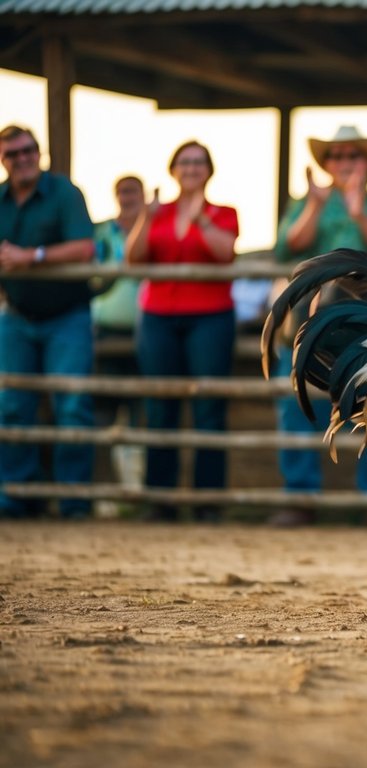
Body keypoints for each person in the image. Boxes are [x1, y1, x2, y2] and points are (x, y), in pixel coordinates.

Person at [272, 125, 367, 528]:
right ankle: (299, 497)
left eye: (352, 156)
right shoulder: (306, 204)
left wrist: (357, 213)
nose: (344, 163)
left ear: (366, 164)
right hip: (309, 320)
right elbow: (287, 245)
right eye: (336, 156)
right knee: (296, 403)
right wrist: (316, 206)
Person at [123, 140, 239, 523]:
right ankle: (161, 500)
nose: (191, 168)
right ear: (173, 169)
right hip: (157, 316)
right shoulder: (157, 212)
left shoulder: (223, 213)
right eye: (184, 162)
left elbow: (224, 253)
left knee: (208, 406)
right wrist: (145, 216)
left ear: (208, 170)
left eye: (198, 162)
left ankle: (208, 502)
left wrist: (200, 219)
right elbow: (133, 257)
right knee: (160, 406)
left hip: (210, 317)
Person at [0, 125, 96, 520]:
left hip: (66, 317)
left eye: (27, 151)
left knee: (72, 405)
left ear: (38, 153)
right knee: (10, 407)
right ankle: (16, 496)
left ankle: (72, 500)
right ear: (4, 161)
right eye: (12, 154)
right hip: (16, 316)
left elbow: (85, 248)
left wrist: (32, 256)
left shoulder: (64, 193)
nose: (22, 159)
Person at [91, 175, 147, 497]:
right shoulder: (102, 233)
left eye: (132, 191)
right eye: (122, 192)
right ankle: (103, 494)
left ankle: (137, 491)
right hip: (107, 332)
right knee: (102, 415)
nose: (127, 197)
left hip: (144, 331)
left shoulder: (152, 230)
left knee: (142, 417)